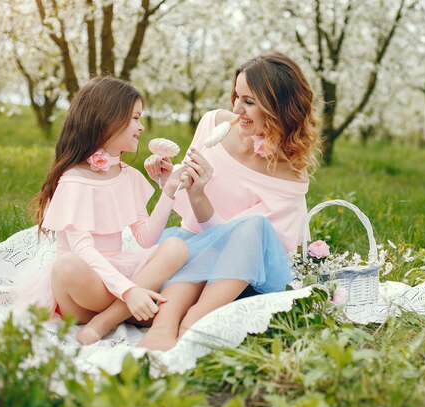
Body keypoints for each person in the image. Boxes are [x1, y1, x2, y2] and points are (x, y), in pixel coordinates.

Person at [137, 52, 319, 351]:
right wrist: (170, 181)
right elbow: (189, 218)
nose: (237, 109)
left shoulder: (289, 177)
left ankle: (193, 321)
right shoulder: (213, 124)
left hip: (242, 276)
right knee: (191, 248)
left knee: (251, 226)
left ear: (279, 108)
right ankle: (164, 326)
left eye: (249, 101)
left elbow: (246, 245)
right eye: (236, 96)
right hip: (196, 248)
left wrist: (201, 195)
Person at [13, 76, 189, 345]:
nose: (141, 127)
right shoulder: (73, 179)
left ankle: (106, 320)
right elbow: (83, 249)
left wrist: (169, 189)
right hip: (84, 291)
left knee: (176, 247)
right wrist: (130, 291)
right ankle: (128, 310)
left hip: (119, 279)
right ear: (107, 119)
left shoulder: (128, 176)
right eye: (135, 118)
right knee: (67, 264)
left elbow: (145, 238)